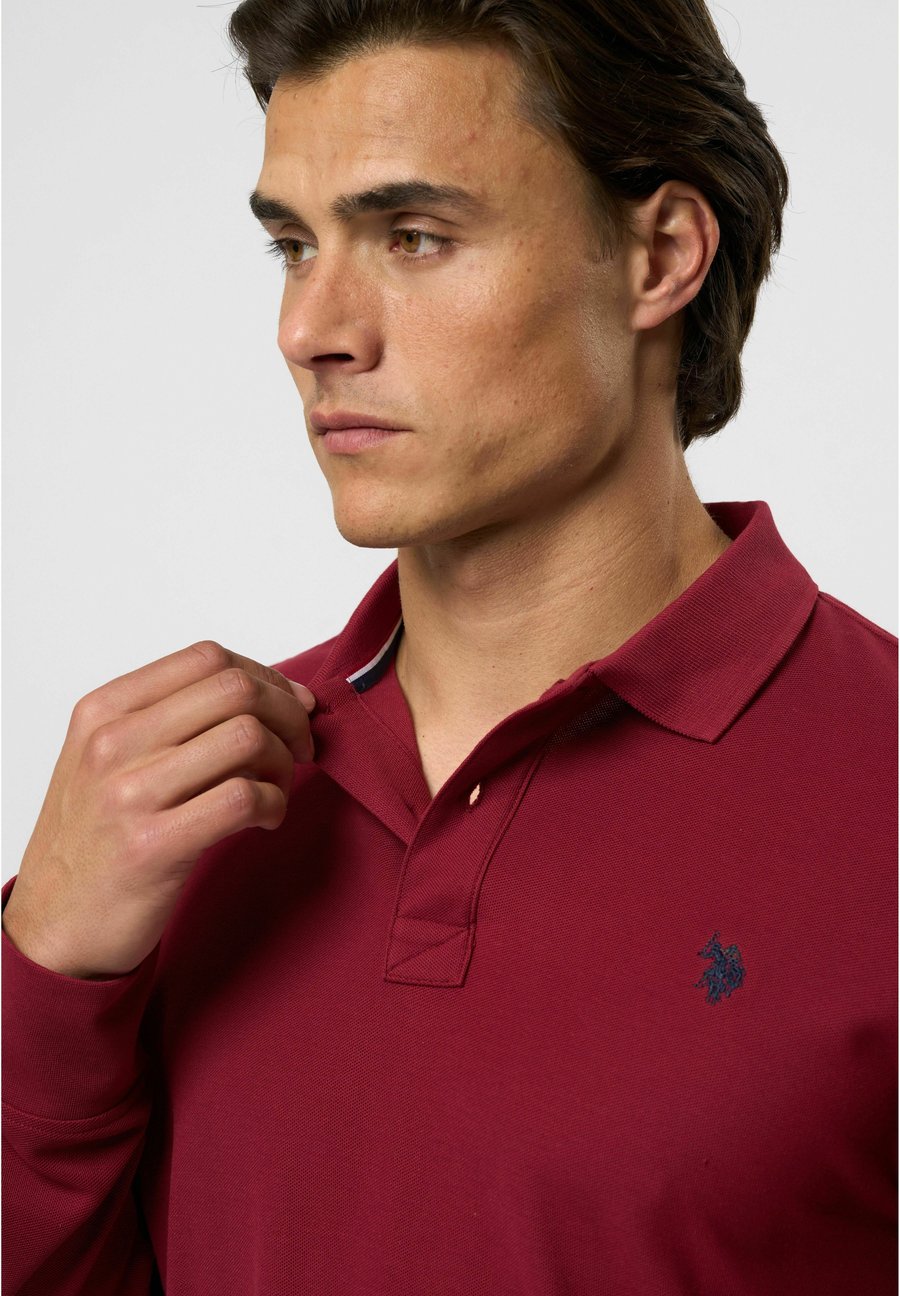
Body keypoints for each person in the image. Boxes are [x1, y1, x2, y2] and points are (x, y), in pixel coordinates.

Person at [3, 0, 896, 1291]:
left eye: (414, 237)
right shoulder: (168, 811)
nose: (310, 330)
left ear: (659, 256)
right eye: (293, 246)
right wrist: (45, 976)